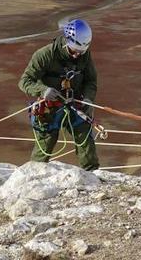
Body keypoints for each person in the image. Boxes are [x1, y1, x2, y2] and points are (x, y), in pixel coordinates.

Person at [18, 19, 99, 171]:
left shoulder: (84, 55)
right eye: (74, 51)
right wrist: (43, 90)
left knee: (85, 141)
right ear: (67, 41)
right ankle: (32, 176)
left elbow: (90, 81)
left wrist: (88, 99)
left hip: (76, 105)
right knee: (44, 147)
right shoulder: (45, 55)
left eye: (80, 52)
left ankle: (92, 175)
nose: (77, 55)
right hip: (50, 109)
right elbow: (25, 81)